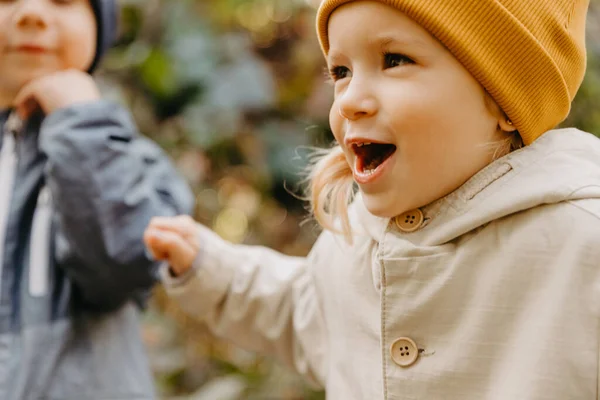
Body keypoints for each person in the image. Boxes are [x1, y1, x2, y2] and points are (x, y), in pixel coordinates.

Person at [144, 0, 600, 398]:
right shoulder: (358, 238)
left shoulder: (581, 242)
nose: (349, 101)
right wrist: (210, 268)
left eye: (395, 59)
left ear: (503, 98)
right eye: (341, 72)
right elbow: (305, 311)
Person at [0, 0, 193, 398]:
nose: (31, 13)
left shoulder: (131, 161)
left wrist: (80, 122)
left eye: (64, 0)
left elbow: (126, 263)